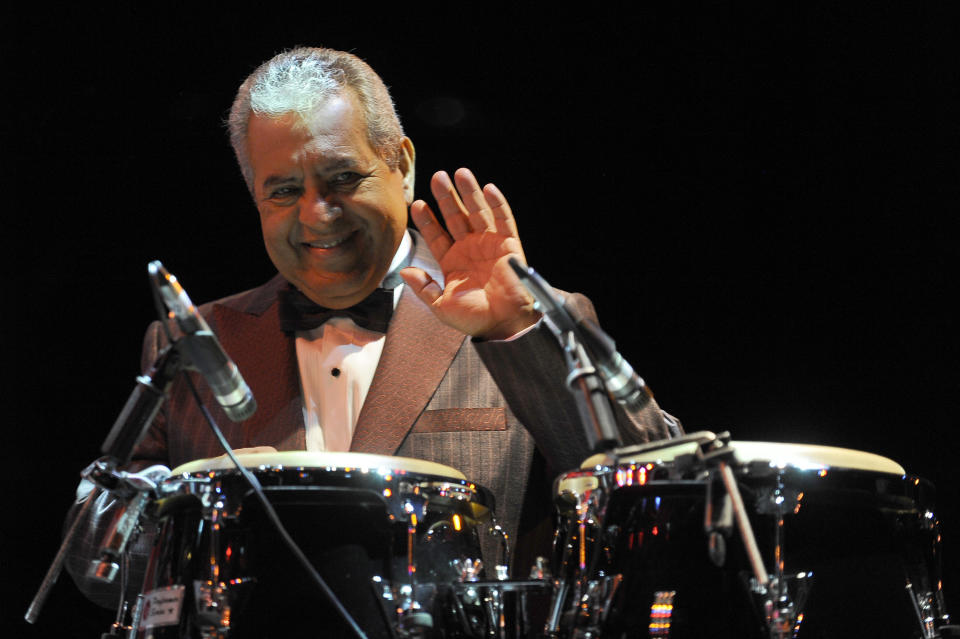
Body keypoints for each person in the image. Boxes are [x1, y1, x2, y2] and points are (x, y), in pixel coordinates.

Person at [69, 47, 679, 610]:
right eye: (283, 191)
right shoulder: (194, 343)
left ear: (401, 164)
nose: (317, 214)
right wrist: (193, 499)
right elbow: (99, 569)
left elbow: (658, 499)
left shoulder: (523, 320)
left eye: (342, 178)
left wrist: (516, 331)